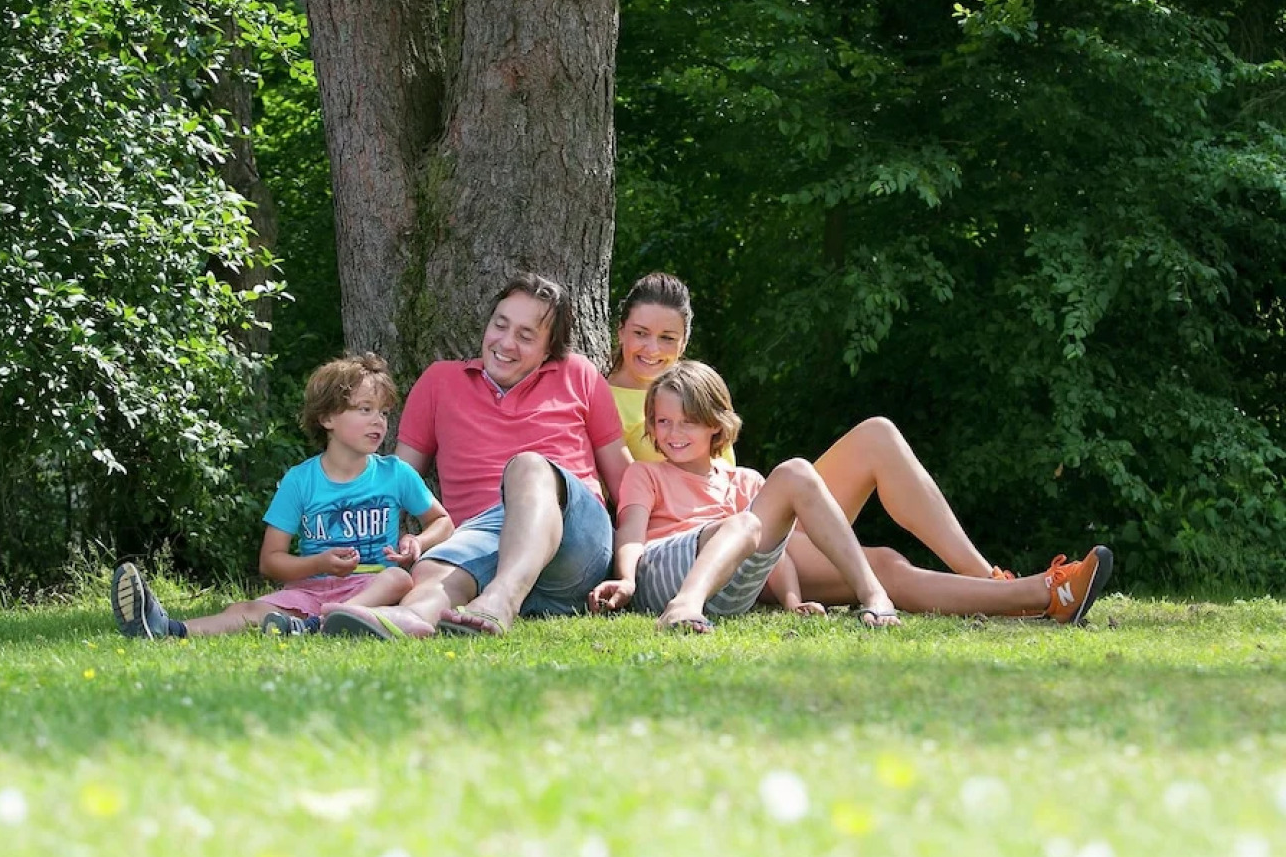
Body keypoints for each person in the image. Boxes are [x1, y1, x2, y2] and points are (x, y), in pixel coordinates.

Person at [599, 272, 1114, 620]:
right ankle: (1027, 596)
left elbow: (740, 491)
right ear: (619, 329)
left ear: (685, 340)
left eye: (668, 338)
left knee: (877, 435)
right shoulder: (603, 397)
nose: (652, 349)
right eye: (641, 333)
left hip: (758, 524)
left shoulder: (694, 391)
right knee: (885, 561)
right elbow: (629, 511)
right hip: (695, 545)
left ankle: (992, 582)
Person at [317, 272, 633, 640]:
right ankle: (411, 618)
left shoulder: (579, 374)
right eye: (500, 325)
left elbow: (626, 484)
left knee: (529, 467)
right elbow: (394, 482)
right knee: (434, 567)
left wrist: (640, 559)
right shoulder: (439, 382)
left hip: (574, 542)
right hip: (481, 544)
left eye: (525, 336)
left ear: (549, 350)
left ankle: (500, 601)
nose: (506, 342)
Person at [110, 353, 452, 639]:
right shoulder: (300, 481)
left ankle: (327, 622)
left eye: (383, 413)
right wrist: (319, 563)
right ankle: (166, 628)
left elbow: (442, 522)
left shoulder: (395, 474)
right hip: (310, 591)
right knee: (245, 610)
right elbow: (271, 562)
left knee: (398, 578)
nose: (378, 421)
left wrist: (418, 543)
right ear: (327, 417)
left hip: (371, 589)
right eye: (365, 409)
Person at [591, 361, 900, 632]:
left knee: (796, 472)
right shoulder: (646, 473)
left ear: (714, 423)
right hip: (661, 574)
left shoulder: (744, 481)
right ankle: (684, 605)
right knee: (743, 524)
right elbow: (631, 532)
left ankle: (873, 594)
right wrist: (627, 579)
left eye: (688, 421)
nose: (674, 433)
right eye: (663, 422)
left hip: (729, 592)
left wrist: (792, 602)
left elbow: (774, 554)